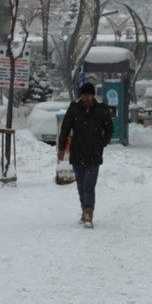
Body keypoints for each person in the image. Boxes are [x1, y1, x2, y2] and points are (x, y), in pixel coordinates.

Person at [57, 82, 112, 228]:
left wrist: (102, 143)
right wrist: (61, 148)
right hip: (77, 153)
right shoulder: (74, 109)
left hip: (94, 154)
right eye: (84, 95)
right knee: (81, 185)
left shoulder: (101, 109)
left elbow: (109, 129)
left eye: (89, 95)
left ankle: (89, 213)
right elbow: (65, 129)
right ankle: (84, 209)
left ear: (93, 95)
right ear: (81, 95)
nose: (86, 98)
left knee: (89, 185)